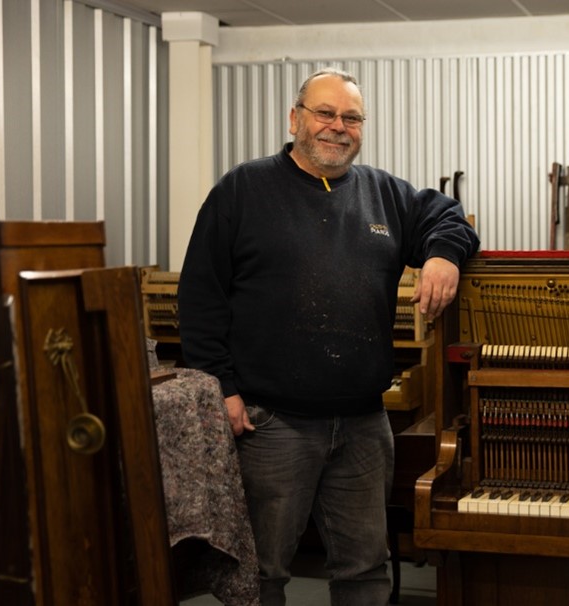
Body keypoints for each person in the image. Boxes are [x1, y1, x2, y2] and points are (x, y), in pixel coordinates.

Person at [177, 67, 480, 606]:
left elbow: (450, 217)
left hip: (364, 424)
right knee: (261, 574)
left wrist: (442, 254)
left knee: (365, 569)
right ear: (296, 118)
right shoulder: (242, 190)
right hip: (271, 425)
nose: (338, 127)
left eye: (351, 117)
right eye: (325, 113)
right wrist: (221, 387)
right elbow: (200, 300)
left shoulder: (384, 194)